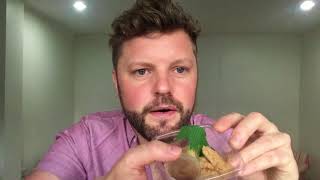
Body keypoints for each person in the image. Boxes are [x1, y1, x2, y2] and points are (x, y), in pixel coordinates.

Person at [26, 0, 299, 179]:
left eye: (180, 69)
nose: (163, 87)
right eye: (142, 71)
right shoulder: (84, 139)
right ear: (116, 81)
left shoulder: (230, 146)